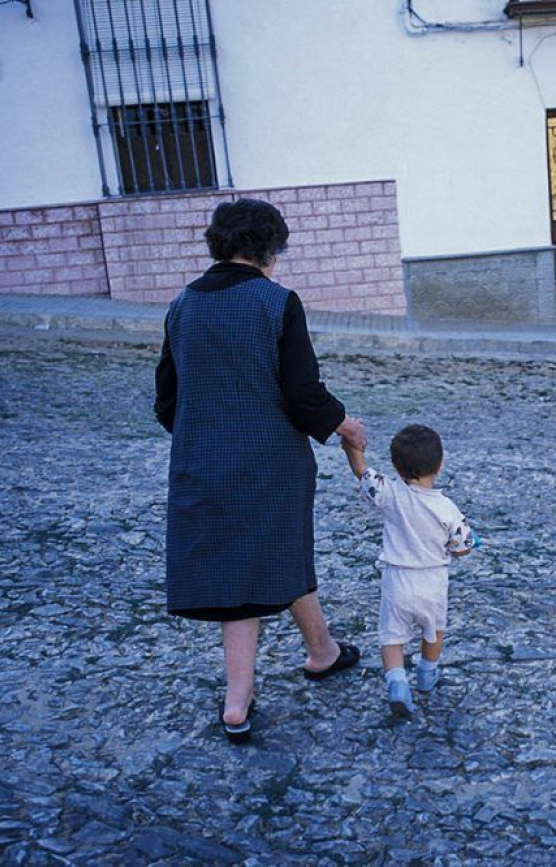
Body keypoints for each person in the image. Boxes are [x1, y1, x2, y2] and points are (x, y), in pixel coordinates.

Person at [154, 198, 366, 744]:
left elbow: (166, 401)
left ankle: (320, 653)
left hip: (203, 461)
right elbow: (302, 394)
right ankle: (238, 697)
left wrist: (210, 435)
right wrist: (343, 425)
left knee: (258, 560)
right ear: (270, 249)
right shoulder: (277, 303)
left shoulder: (181, 306)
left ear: (218, 245)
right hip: (272, 463)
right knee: (262, 562)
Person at [342, 424, 476, 717]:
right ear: (439, 466)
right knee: (434, 630)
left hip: (397, 582)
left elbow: (363, 473)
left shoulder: (390, 494)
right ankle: (427, 675)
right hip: (432, 584)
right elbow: (463, 548)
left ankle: (398, 683)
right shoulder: (447, 508)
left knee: (391, 637)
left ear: (395, 466)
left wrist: (351, 447)